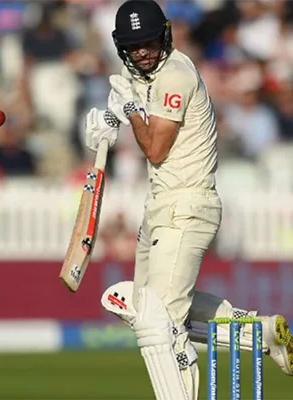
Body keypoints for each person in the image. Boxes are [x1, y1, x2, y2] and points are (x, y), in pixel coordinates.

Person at [83, 0, 292, 399]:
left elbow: (157, 148)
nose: (142, 51)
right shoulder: (147, 77)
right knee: (141, 305)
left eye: (147, 42)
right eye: (133, 45)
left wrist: (127, 110)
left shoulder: (175, 74)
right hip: (161, 206)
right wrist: (109, 123)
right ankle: (261, 333)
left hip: (187, 206)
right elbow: (141, 119)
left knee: (157, 323)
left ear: (163, 34)